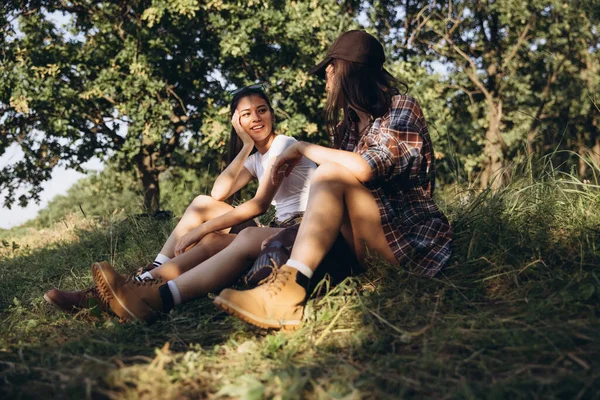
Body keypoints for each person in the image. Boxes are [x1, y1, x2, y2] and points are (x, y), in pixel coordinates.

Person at [212, 30, 453, 330]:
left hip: (405, 243)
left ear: (348, 72)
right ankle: (159, 290)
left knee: (329, 173)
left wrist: (302, 148)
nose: (326, 82)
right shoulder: (347, 128)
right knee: (248, 237)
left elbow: (366, 168)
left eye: (329, 72)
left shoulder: (402, 107)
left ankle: (290, 291)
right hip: (361, 241)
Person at [44, 85, 316, 315]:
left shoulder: (283, 145)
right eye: (247, 114)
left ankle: (138, 287)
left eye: (262, 110)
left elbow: (256, 205)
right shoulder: (256, 157)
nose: (257, 118)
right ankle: (143, 280)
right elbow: (219, 194)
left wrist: (199, 230)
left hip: (297, 226)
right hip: (278, 224)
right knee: (202, 204)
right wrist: (245, 146)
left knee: (209, 236)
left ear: (271, 113)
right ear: (238, 122)